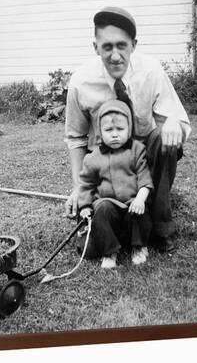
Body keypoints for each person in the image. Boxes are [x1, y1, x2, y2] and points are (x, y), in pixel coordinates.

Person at [65, 6, 191, 252]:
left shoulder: (151, 70)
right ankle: (112, 218)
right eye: (107, 47)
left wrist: (174, 121)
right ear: (95, 47)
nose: (115, 56)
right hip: (106, 162)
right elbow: (76, 139)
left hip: (144, 158)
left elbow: (180, 122)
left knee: (161, 136)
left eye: (121, 46)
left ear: (134, 44)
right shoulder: (80, 82)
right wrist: (79, 189)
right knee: (92, 239)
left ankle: (159, 227)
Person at [78, 99, 153, 269]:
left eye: (120, 129)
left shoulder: (137, 150)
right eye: (108, 130)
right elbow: (86, 185)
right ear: (99, 132)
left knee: (140, 211)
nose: (114, 134)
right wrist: (84, 206)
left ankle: (139, 246)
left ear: (129, 129)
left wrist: (140, 199)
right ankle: (109, 251)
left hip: (131, 204)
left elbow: (144, 178)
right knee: (102, 209)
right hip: (108, 207)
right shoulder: (93, 158)